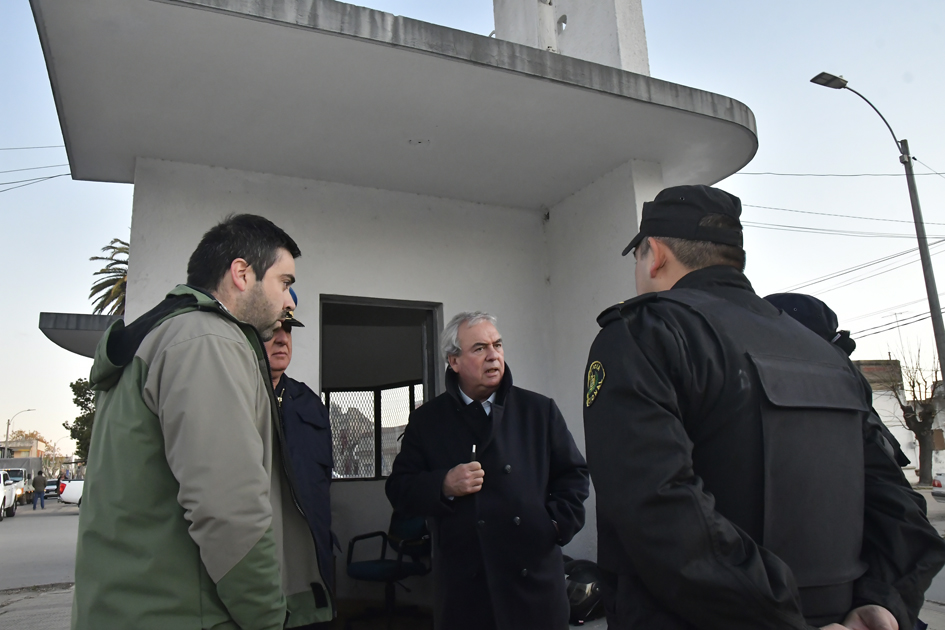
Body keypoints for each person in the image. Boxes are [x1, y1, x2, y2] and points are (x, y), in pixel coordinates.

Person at [583, 185, 945, 630]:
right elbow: (900, 508)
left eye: (637, 258)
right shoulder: (825, 353)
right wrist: (883, 604)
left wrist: (783, 617)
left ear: (654, 254)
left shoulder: (643, 333)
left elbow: (657, 512)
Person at [72, 215, 334, 630]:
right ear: (242, 274)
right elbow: (229, 513)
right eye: (284, 283)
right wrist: (268, 618)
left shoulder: (163, 336)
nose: (290, 302)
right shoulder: (207, 341)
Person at [386, 312, 590, 630]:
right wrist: (443, 484)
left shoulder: (538, 410)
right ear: (454, 361)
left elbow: (574, 476)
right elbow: (399, 489)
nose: (493, 355)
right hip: (465, 592)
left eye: (497, 345)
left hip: (532, 583)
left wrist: (553, 525)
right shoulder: (428, 421)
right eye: (479, 348)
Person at [263, 289, 335, 612]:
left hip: (310, 563)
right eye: (272, 330)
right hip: (260, 561)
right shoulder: (236, 398)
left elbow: (321, 485)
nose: (282, 339)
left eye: (288, 330)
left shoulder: (310, 404)